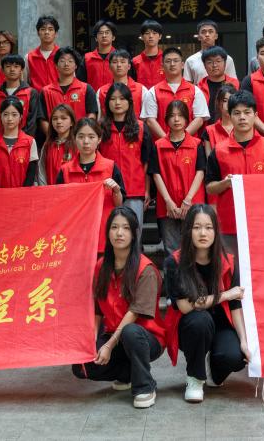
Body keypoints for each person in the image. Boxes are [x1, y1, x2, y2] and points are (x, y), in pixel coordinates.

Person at [72, 207, 166, 409]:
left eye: (125, 228)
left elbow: (134, 313)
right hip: (114, 336)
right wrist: (93, 342)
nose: (119, 233)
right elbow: (98, 309)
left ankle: (145, 386)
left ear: (134, 234)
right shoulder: (101, 266)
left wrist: (109, 345)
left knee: (131, 332)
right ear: (107, 232)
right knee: (82, 366)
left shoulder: (146, 269)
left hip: (146, 338)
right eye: (114, 227)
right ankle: (128, 374)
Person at [163, 204, 249, 403]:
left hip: (221, 324)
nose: (203, 233)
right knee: (199, 320)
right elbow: (186, 306)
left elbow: (236, 305)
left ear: (216, 231)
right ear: (188, 231)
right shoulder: (175, 262)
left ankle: (214, 371)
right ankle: (195, 377)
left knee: (235, 357)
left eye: (209, 227)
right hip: (190, 326)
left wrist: (244, 341)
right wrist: (225, 295)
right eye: (197, 227)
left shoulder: (228, 261)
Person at [205, 91, 264, 254]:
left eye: (247, 112)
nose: (242, 117)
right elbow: (209, 188)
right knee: (232, 268)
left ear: (255, 116)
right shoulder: (219, 150)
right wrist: (225, 183)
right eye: (237, 113)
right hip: (230, 224)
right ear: (230, 116)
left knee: (263, 265)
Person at [56, 118, 125, 255]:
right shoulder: (65, 170)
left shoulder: (111, 167)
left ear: (99, 139)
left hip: (104, 233)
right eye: (81, 137)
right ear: (74, 139)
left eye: (91, 137)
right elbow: (59, 206)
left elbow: (119, 205)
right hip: (75, 236)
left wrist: (116, 191)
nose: (86, 141)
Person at [149, 100, 207, 255]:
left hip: (192, 203)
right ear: (166, 119)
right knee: (171, 250)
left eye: (180, 116)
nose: (176, 119)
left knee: (196, 248)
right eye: (172, 116)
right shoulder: (159, 145)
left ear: (187, 119)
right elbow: (156, 174)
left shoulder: (197, 144)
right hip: (167, 206)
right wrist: (168, 201)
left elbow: (200, 172)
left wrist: (188, 199)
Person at [99, 83, 153, 222]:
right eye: (113, 99)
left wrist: (146, 190)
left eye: (122, 98)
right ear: (107, 103)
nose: (117, 103)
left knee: (133, 231)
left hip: (134, 190)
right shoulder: (100, 128)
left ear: (129, 102)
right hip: (106, 191)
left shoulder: (141, 127)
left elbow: (147, 163)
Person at [142, 47, 210, 140]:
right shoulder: (153, 91)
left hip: (190, 145)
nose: (172, 64)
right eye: (168, 61)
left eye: (176, 60)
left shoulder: (195, 90)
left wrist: (182, 139)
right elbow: (150, 120)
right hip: (161, 145)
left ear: (182, 65)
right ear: (162, 66)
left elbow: (199, 119)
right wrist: (167, 141)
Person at [37, 46, 98, 139]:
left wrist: (81, 135)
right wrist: (55, 137)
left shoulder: (86, 89)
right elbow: (42, 119)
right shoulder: (46, 91)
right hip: (55, 141)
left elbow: (92, 114)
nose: (66, 64)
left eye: (70, 61)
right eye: (62, 61)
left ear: (76, 66)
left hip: (79, 141)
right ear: (56, 65)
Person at [0, 97, 38, 188]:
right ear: (0, 116)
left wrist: (23, 192)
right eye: (5, 114)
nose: (9, 118)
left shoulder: (30, 142)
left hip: (23, 193)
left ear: (20, 117)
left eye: (14, 114)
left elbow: (31, 174)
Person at [0, 53, 37, 138]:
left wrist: (23, 141)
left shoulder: (31, 93)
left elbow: (32, 122)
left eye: (16, 66)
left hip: (24, 142)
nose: (12, 69)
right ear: (2, 70)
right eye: (8, 66)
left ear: (21, 70)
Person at [96, 50, 148, 120]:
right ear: (109, 67)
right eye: (115, 62)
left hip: (135, 127)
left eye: (123, 62)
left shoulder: (142, 90)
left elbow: (146, 119)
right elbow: (100, 119)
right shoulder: (101, 91)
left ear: (129, 66)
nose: (119, 65)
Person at [183, 19, 237, 84]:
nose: (207, 35)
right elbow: (187, 85)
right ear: (199, 37)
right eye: (203, 32)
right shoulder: (190, 60)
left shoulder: (227, 59)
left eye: (210, 32)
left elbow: (233, 83)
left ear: (216, 36)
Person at [36, 104, 76, 186]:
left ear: (72, 122)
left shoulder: (77, 145)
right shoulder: (47, 145)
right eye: (55, 118)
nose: (58, 121)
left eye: (63, 118)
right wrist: (45, 189)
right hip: (50, 191)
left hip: (71, 191)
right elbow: (41, 171)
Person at [196, 46, 238, 124]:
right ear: (204, 65)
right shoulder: (198, 88)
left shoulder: (236, 85)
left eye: (218, 61)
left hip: (231, 128)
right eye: (209, 62)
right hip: (206, 129)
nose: (214, 65)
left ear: (225, 63)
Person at [25, 15, 61, 91]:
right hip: (37, 97)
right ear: (38, 33)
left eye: (50, 29)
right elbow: (24, 83)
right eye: (43, 29)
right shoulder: (29, 57)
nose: (47, 32)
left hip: (59, 96)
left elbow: (71, 80)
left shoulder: (63, 55)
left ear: (56, 33)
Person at [202, 84, 237, 156]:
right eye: (225, 101)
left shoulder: (244, 127)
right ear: (218, 103)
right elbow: (210, 160)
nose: (228, 105)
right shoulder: (209, 131)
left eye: (231, 101)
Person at [84, 19, 118, 91]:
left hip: (115, 96)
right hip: (93, 96)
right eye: (101, 33)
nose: (104, 35)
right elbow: (81, 82)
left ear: (113, 37)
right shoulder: (87, 58)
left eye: (107, 32)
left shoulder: (120, 58)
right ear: (96, 38)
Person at [131, 19, 166, 88]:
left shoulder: (166, 60)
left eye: (154, 33)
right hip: (141, 94)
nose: (151, 36)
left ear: (160, 36)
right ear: (142, 37)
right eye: (147, 33)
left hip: (163, 94)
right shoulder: (135, 61)